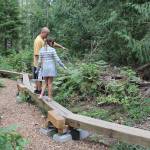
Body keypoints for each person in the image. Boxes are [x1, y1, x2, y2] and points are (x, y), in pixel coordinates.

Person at [33, 27, 66, 94]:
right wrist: (42, 64)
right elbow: (37, 54)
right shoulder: (38, 41)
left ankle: (39, 91)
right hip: (38, 64)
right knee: (38, 78)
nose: (47, 35)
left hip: (43, 64)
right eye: (47, 34)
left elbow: (52, 43)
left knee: (42, 79)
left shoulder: (44, 39)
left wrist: (61, 47)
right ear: (43, 32)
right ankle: (38, 92)